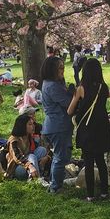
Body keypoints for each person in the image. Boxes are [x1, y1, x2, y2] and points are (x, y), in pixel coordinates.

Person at [67, 58, 110, 202]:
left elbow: (69, 110)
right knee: (101, 162)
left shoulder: (81, 88)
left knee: (89, 162)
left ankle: (90, 195)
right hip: (102, 127)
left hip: (87, 128)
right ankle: (105, 192)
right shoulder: (103, 87)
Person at [40, 55, 73, 193]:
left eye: (63, 68)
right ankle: (55, 187)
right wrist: (74, 94)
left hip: (56, 125)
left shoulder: (53, 83)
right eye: (60, 68)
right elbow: (68, 103)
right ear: (52, 69)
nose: (62, 71)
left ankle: (55, 184)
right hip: (58, 125)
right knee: (61, 158)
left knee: (60, 156)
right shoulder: (52, 86)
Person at [4, 113, 48, 181]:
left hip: (27, 160)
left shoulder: (28, 136)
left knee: (42, 150)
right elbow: (17, 157)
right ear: (22, 126)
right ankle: (37, 180)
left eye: (33, 124)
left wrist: (47, 157)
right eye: (30, 124)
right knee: (32, 156)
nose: (33, 126)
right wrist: (30, 166)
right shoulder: (14, 140)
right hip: (17, 167)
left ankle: (37, 174)